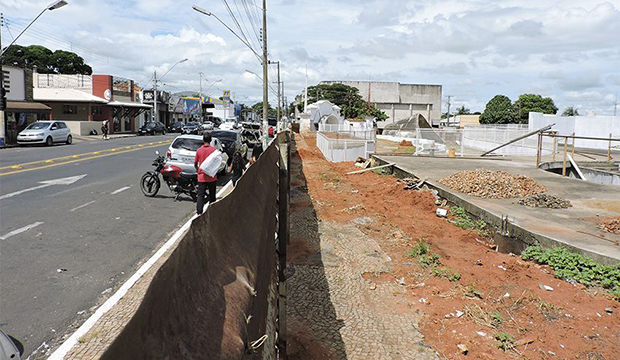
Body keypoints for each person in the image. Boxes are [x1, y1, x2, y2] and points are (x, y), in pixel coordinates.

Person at [194, 132, 217, 215]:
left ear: (203, 140)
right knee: (212, 195)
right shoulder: (213, 151)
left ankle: (199, 212)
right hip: (211, 176)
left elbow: (195, 163)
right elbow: (217, 163)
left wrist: (198, 170)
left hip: (202, 176)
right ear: (210, 140)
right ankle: (212, 211)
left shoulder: (199, 150)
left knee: (200, 195)